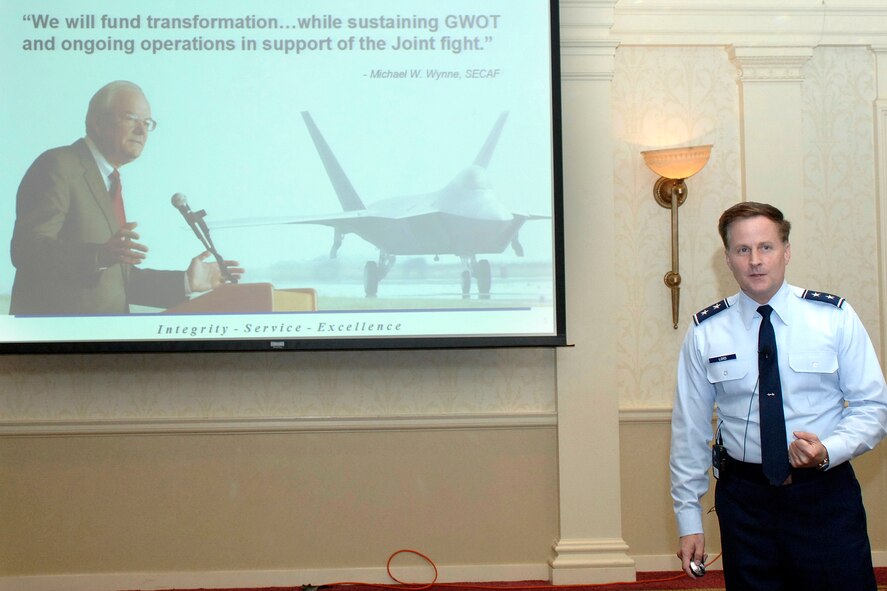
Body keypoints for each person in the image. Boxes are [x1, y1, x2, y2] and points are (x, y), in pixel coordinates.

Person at [670, 201, 887, 590]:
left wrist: (829, 450)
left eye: (766, 247)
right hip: (746, 503)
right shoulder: (706, 332)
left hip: (824, 494)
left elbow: (873, 408)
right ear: (728, 259)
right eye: (742, 250)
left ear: (786, 252)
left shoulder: (833, 318)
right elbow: (689, 432)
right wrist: (689, 521)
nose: (755, 260)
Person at [9, 80, 243, 315]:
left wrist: (187, 282)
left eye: (147, 123)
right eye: (131, 119)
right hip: (58, 342)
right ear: (98, 122)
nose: (142, 131)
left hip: (105, 341)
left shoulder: (108, 180)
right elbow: (27, 250)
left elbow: (117, 280)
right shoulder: (59, 166)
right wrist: (99, 255)